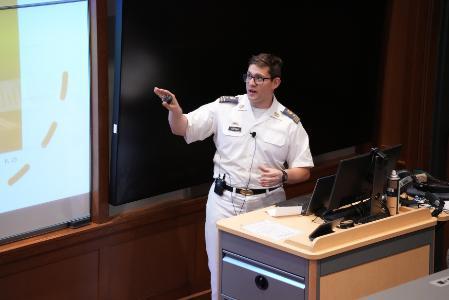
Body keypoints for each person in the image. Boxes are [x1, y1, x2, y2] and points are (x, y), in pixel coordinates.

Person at [154, 53, 314, 299]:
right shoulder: (224, 108)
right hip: (223, 202)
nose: (251, 83)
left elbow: (303, 170)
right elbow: (182, 128)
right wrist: (175, 111)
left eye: (260, 78)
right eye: (249, 76)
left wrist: (283, 175)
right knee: (219, 273)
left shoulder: (288, 122)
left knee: (262, 276)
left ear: (276, 83)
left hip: (266, 206)